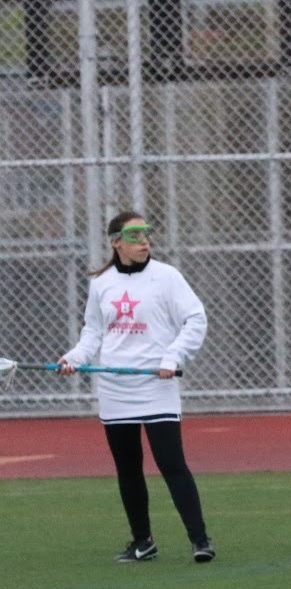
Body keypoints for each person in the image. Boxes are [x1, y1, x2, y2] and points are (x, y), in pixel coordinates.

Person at [58, 211, 214, 563]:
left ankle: (200, 540)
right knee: (128, 468)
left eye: (146, 233)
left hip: (156, 385)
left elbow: (195, 319)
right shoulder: (102, 283)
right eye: (134, 235)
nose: (144, 240)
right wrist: (75, 358)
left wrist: (173, 356)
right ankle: (143, 542)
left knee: (172, 464)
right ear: (116, 242)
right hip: (115, 389)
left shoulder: (167, 277)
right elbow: (93, 332)